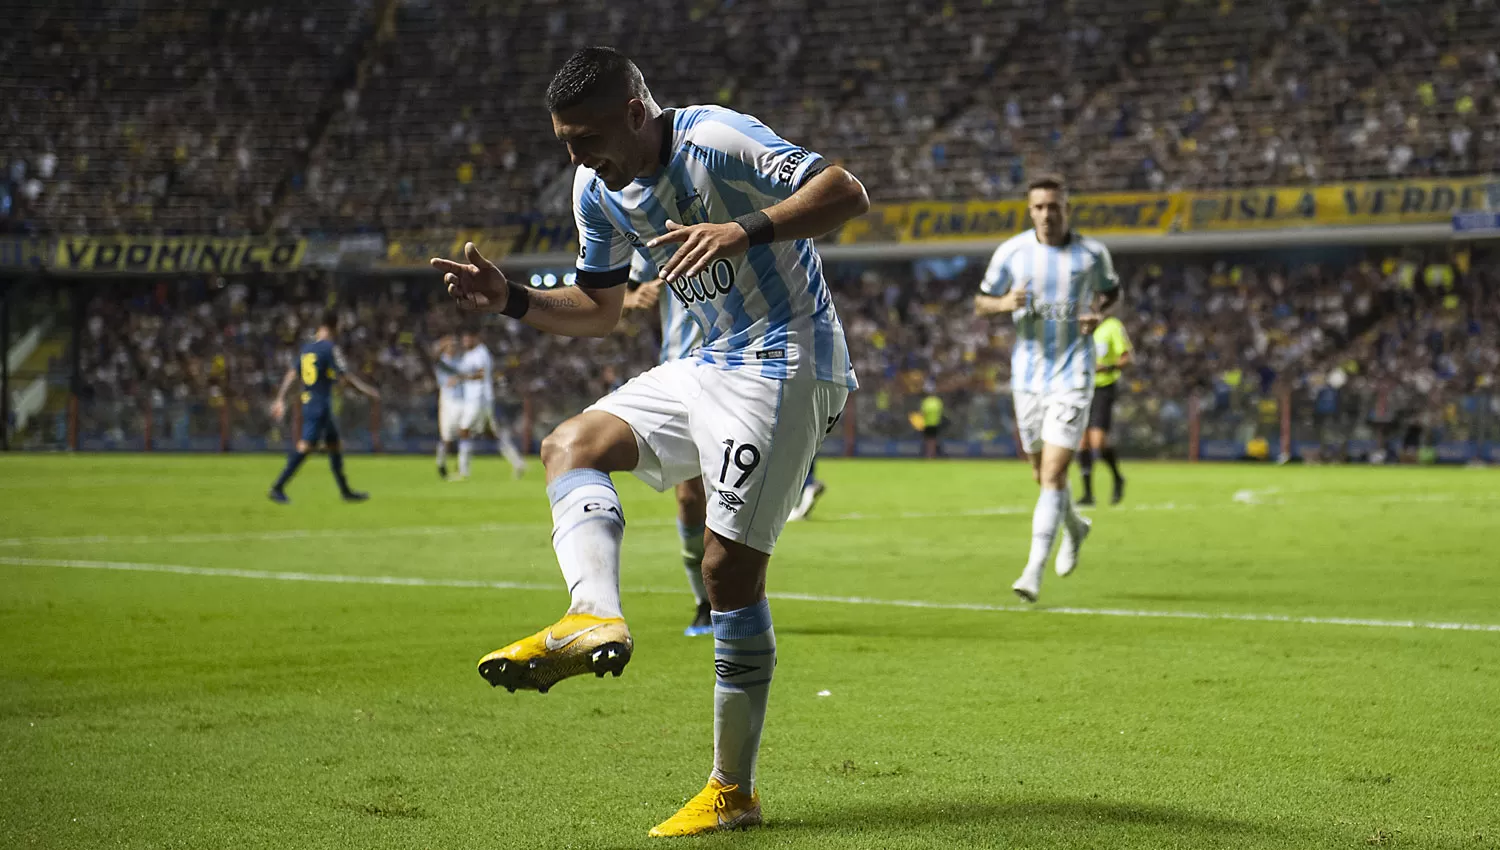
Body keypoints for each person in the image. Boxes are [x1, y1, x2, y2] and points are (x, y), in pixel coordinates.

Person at [430, 46, 866, 837]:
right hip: (702, 362)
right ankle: (592, 614)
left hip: (785, 360)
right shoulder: (594, 187)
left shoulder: (717, 139)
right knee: (570, 446)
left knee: (729, 571)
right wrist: (513, 300)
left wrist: (741, 230)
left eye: (585, 135)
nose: (574, 156)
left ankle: (733, 791)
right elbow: (599, 309)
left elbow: (845, 192)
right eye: (564, 140)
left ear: (635, 110)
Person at [974, 175, 1119, 603]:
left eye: (1054, 206)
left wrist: (1098, 314)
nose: (1046, 214)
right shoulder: (1013, 252)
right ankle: (1075, 527)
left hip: (1074, 374)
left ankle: (1032, 571)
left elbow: (1112, 294)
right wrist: (1004, 304)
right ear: (1030, 210)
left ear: (1066, 210)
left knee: (1054, 474)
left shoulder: (1091, 254)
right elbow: (982, 302)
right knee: (1042, 475)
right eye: (1038, 207)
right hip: (1028, 377)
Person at [621, 251, 712, 636]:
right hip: (683, 375)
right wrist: (631, 297)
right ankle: (705, 602)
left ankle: (738, 596)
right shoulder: (659, 234)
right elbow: (617, 293)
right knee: (691, 498)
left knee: (736, 498)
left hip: (745, 369)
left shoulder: (742, 213)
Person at [267, 310, 381, 503]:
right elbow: (345, 378)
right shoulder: (330, 348)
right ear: (334, 326)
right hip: (319, 404)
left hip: (313, 402)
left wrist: (280, 398)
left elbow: (292, 375)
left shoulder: (307, 349)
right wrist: (368, 391)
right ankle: (278, 487)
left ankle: (345, 491)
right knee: (306, 446)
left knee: (334, 445)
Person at [454, 328, 528, 480]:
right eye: (464, 339)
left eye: (468, 338)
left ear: (475, 338)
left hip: (479, 398)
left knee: (464, 430)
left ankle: (463, 471)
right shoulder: (469, 354)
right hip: (475, 399)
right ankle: (518, 462)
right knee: (492, 435)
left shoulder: (481, 353)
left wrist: (462, 377)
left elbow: (481, 374)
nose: (465, 342)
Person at [1078, 315, 1131, 504]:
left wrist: (1106, 367)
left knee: (1097, 441)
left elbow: (1126, 357)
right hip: (1080, 388)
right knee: (1081, 442)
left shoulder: (1112, 326)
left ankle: (1117, 477)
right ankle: (1087, 494)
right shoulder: (1079, 325)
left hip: (1103, 388)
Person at [433, 334, 465, 479]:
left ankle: (461, 466)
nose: (453, 348)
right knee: (446, 437)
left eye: (455, 345)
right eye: (450, 345)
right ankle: (441, 463)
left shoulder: (460, 361)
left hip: (462, 401)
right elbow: (447, 382)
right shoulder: (442, 364)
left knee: (464, 433)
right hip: (448, 402)